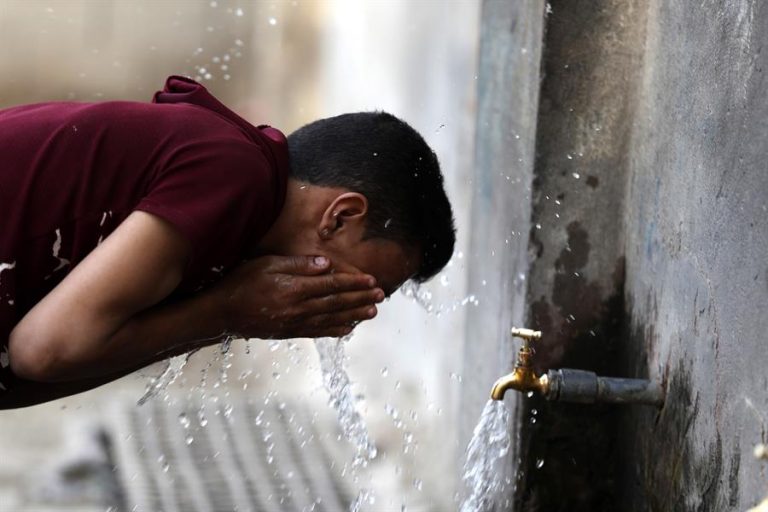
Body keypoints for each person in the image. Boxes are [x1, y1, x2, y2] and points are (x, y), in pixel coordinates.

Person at [0, 76, 456, 409]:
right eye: (366, 286)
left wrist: (224, 317)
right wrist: (227, 311)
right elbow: (43, 351)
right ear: (340, 217)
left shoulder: (223, 223)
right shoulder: (235, 173)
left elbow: (38, 368)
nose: (351, 313)